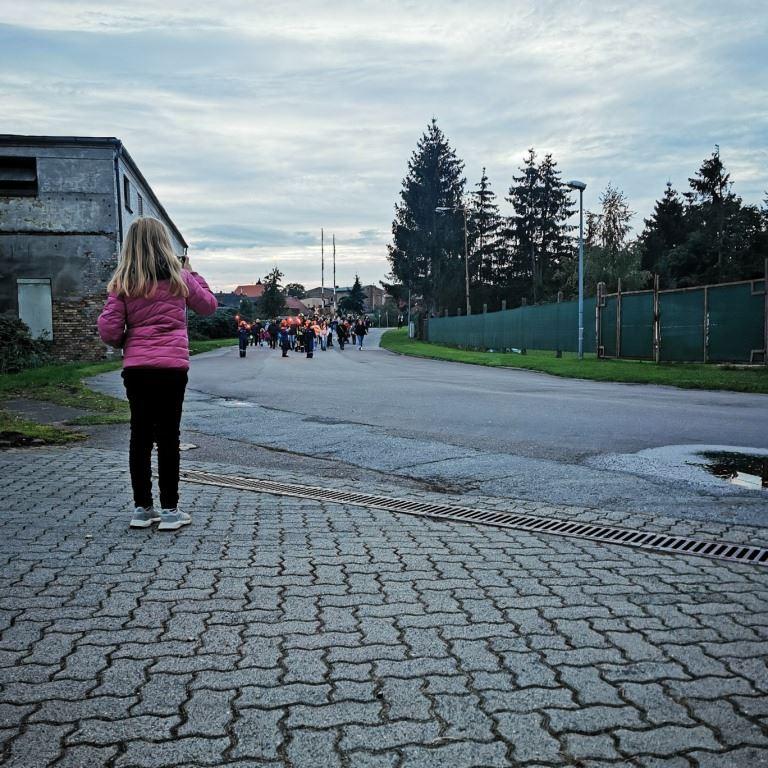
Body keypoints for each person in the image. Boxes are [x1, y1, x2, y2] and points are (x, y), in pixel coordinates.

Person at [97, 217, 217, 531]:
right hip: (171, 369)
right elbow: (209, 306)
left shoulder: (123, 283)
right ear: (164, 243)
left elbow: (109, 330)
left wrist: (128, 341)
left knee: (139, 436)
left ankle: (142, 509)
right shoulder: (180, 278)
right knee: (168, 437)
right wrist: (193, 273)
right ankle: (170, 511)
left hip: (137, 369)